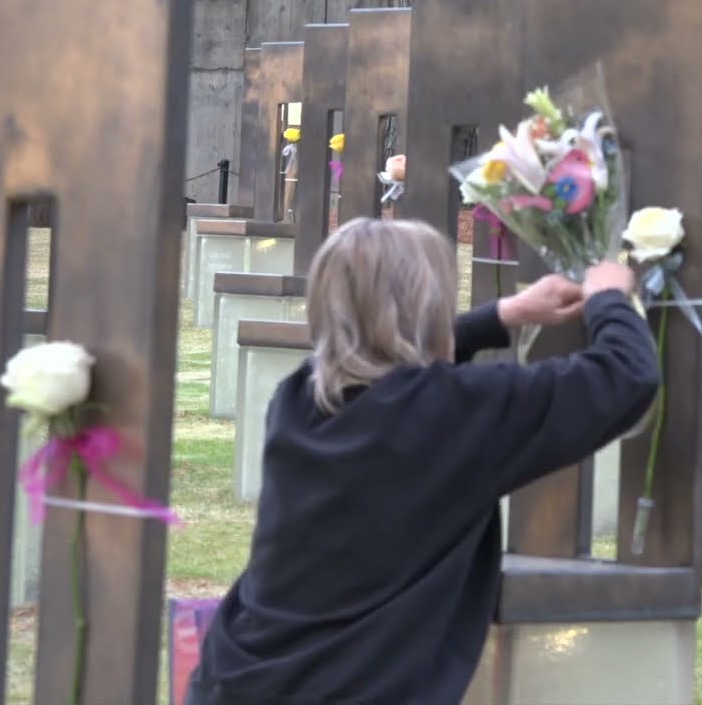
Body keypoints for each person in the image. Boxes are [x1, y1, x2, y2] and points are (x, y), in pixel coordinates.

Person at [188, 217, 660, 704]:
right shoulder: (455, 412)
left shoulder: (298, 400)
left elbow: (383, 360)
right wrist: (608, 298)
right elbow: (626, 377)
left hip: (236, 679)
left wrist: (502, 316)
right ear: (430, 308)